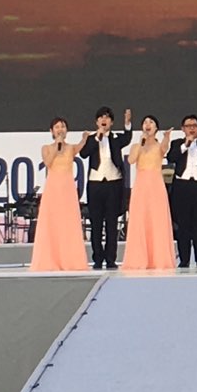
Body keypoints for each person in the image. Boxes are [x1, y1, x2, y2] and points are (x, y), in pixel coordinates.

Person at [30, 118, 90, 271]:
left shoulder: (70, 148)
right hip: (53, 189)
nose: (60, 129)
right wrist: (57, 146)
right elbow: (48, 163)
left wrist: (84, 138)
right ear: (52, 131)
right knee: (52, 222)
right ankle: (50, 259)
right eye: (57, 127)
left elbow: (80, 147)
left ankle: (70, 260)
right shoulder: (46, 148)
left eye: (63, 126)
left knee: (68, 223)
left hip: (68, 189)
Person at [79, 106, 132, 270]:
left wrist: (127, 124)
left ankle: (110, 259)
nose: (104, 120)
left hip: (113, 183)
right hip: (95, 183)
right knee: (96, 223)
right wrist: (97, 138)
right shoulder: (91, 138)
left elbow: (127, 138)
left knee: (111, 223)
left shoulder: (116, 138)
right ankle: (97, 258)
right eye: (101, 117)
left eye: (107, 117)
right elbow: (84, 153)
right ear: (97, 122)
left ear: (111, 122)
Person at [122, 116, 176, 270]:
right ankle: (139, 258)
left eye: (151, 122)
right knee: (140, 220)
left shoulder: (159, 145)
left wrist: (166, 137)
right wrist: (141, 143)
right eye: (145, 122)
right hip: (141, 186)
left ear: (156, 128)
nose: (148, 124)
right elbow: (131, 160)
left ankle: (159, 259)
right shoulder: (136, 146)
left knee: (157, 220)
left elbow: (164, 149)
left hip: (156, 186)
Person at [166, 114, 197, 268]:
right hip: (182, 186)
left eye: (194, 126)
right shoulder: (177, 143)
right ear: (183, 129)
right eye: (188, 126)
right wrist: (185, 145)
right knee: (183, 225)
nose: (192, 129)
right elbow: (171, 157)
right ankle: (184, 260)